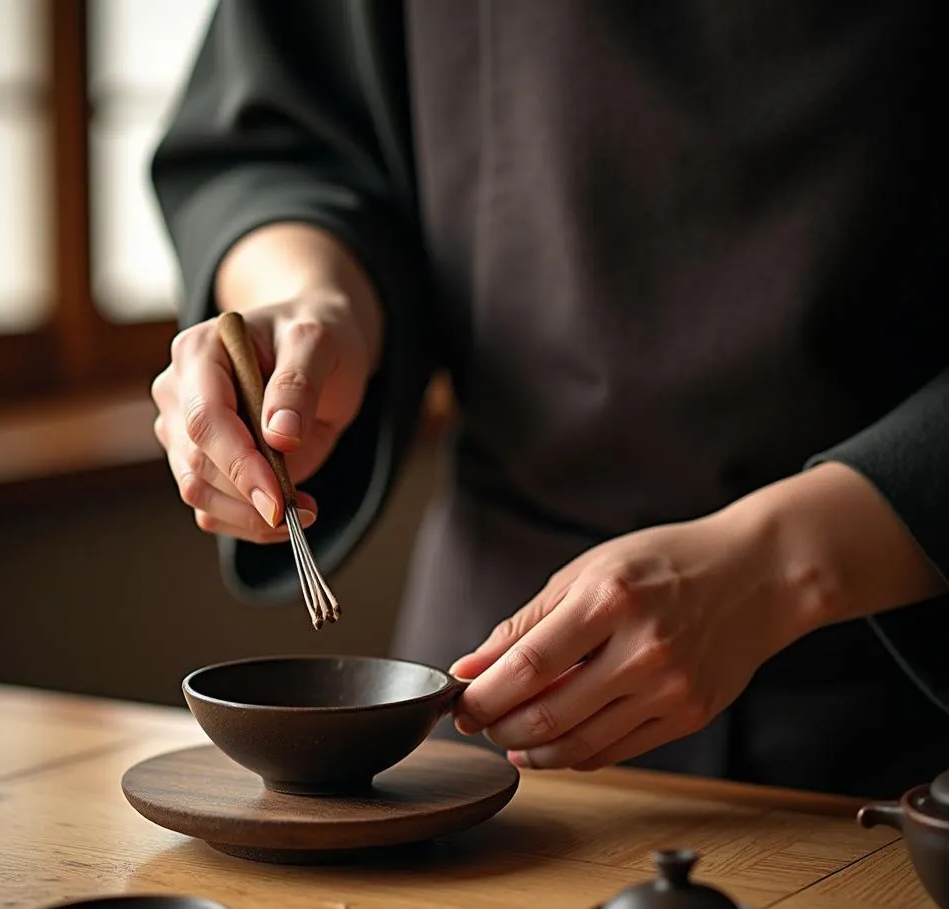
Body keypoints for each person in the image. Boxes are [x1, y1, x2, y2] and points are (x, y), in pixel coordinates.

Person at [149, 1, 949, 798]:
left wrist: (780, 565)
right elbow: (285, 136)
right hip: (499, 685)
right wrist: (311, 299)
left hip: (901, 705)